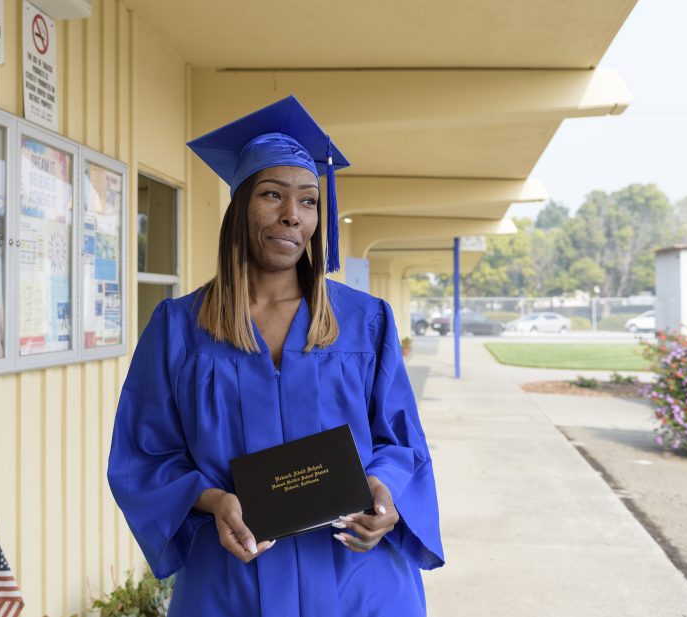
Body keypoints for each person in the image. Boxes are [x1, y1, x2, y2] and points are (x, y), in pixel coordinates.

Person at [107, 96, 444, 616]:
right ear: (240, 205)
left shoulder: (365, 321)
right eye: (272, 194)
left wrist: (386, 492)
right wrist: (214, 501)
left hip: (358, 580)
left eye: (308, 201)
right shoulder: (178, 328)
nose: (292, 215)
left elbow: (401, 440)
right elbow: (145, 455)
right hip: (231, 583)